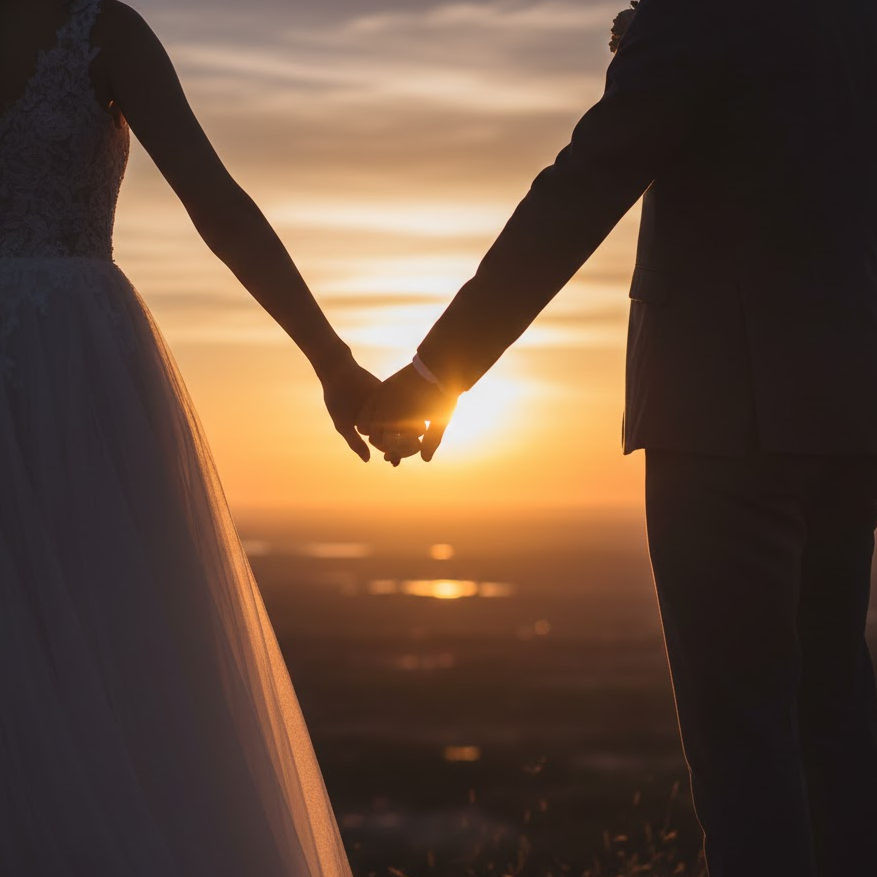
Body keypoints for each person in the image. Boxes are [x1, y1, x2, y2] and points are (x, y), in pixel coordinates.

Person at [358, 0, 877, 874]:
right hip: (849, 412)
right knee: (833, 720)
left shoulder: (703, 14)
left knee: (744, 745)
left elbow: (584, 185)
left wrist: (437, 369)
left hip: (723, 418)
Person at [0, 0, 401, 872]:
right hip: (75, 359)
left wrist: (330, 359)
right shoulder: (101, 29)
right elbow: (215, 201)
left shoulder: (102, 33)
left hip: (77, 386)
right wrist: (331, 362)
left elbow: (216, 202)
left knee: (86, 657)